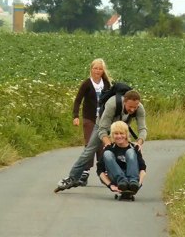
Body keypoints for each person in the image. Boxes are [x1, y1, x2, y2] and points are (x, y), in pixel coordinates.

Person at [55, 89, 147, 192]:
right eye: (130, 107)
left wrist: (139, 142)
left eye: (135, 107)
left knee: (128, 151)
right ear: (124, 102)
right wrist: (108, 144)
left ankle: (127, 179)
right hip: (102, 125)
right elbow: (102, 129)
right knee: (89, 151)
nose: (133, 110)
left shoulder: (139, 108)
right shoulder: (113, 104)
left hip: (120, 127)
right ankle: (72, 178)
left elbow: (142, 129)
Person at [72, 58, 112, 186]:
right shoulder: (87, 84)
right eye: (95, 68)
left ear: (103, 71)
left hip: (102, 119)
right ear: (91, 69)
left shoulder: (106, 84)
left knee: (101, 145)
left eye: (100, 69)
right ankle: (85, 172)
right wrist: (75, 116)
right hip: (89, 118)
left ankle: (102, 172)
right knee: (90, 144)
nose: (98, 71)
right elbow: (78, 101)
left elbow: (111, 101)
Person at [96, 121, 146, 193]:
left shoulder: (134, 147)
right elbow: (100, 171)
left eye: (121, 133)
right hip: (117, 179)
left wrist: (139, 183)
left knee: (130, 152)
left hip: (133, 179)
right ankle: (122, 181)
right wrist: (110, 185)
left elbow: (143, 169)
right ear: (112, 135)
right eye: (116, 134)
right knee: (107, 153)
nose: (119, 136)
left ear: (126, 134)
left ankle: (133, 181)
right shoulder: (109, 148)